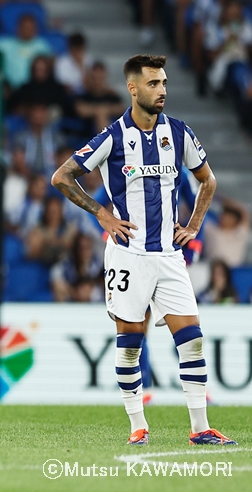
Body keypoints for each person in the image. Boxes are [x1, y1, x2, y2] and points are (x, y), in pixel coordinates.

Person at [51, 54, 235, 445]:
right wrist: (101, 213)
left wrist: (195, 225)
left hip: (168, 255)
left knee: (193, 338)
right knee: (131, 343)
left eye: (165, 82)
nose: (163, 90)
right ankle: (138, 427)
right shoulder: (113, 136)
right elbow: (62, 176)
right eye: (153, 83)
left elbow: (208, 181)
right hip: (128, 254)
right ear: (133, 89)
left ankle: (200, 429)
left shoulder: (180, 133)